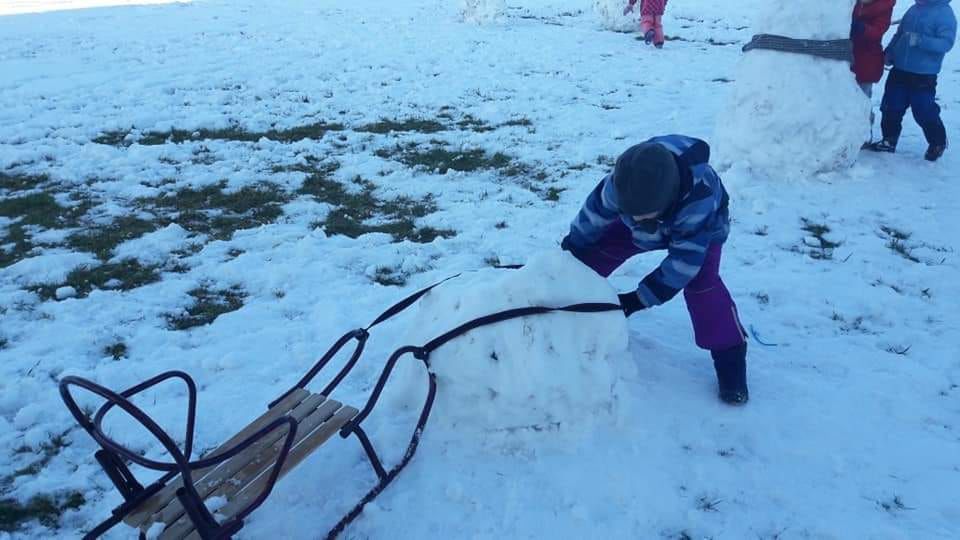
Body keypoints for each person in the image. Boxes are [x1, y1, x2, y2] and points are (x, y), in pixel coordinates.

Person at [560, 136, 749, 405]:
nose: (635, 219)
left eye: (643, 214)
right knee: (594, 252)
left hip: (702, 230)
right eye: (629, 212)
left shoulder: (699, 199)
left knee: (702, 285)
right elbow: (593, 216)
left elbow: (684, 264)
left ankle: (730, 357)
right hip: (649, 226)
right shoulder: (622, 185)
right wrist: (571, 254)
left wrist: (639, 299)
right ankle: (565, 303)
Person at [867, 0, 956, 161]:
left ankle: (937, 143)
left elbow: (946, 43)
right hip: (899, 70)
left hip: (923, 74)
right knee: (890, 107)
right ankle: (889, 140)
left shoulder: (944, 13)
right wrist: (890, 52)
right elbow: (899, 34)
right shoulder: (913, 10)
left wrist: (921, 40)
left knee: (923, 110)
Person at [851, 0, 897, 139]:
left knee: (862, 99)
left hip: (866, 60)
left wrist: (860, 28)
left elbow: (877, 31)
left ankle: (864, 134)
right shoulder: (853, 3)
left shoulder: (884, 6)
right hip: (843, 56)